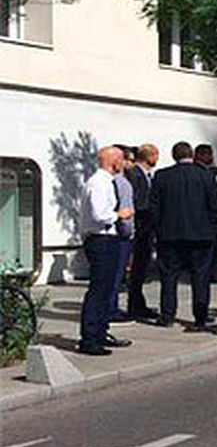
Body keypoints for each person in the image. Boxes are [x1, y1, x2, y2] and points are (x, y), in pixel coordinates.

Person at [149, 141, 217, 329]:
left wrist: (158, 230)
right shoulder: (206, 176)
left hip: (170, 235)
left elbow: (155, 208)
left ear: (174, 156)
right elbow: (214, 207)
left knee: (169, 276)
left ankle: (167, 315)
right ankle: (200, 317)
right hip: (201, 235)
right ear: (191, 155)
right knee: (201, 277)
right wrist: (212, 230)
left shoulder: (162, 176)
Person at [77, 146, 135, 355]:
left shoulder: (104, 182)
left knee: (107, 288)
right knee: (99, 289)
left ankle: (100, 332)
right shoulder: (100, 183)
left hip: (105, 238)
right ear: (114, 162)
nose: (123, 164)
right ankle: (90, 338)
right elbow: (99, 214)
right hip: (101, 239)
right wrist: (120, 214)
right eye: (120, 159)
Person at [123, 143, 160, 321]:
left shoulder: (145, 175)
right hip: (140, 227)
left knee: (142, 268)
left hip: (146, 229)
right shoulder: (135, 174)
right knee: (137, 268)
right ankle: (134, 305)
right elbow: (136, 201)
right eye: (155, 155)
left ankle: (138, 303)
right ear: (150, 156)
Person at [107, 145, 136, 323]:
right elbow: (126, 211)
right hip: (120, 235)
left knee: (111, 275)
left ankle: (110, 307)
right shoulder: (123, 183)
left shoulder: (104, 181)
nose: (131, 164)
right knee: (116, 275)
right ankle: (112, 309)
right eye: (130, 160)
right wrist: (129, 232)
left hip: (109, 234)